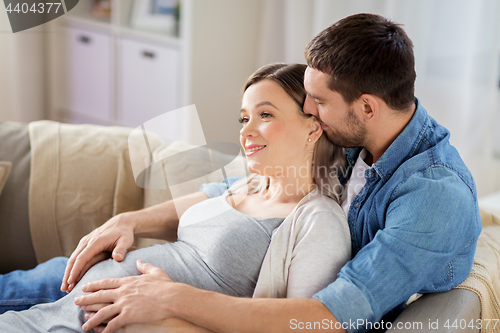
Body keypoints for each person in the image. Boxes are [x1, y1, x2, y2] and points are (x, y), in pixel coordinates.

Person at [60, 13, 481, 333]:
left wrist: (174, 299)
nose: (309, 110)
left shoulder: (432, 198)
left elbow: (327, 316)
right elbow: (241, 187)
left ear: (368, 106)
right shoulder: (360, 140)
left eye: (318, 101)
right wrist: (131, 219)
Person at [0, 63, 351, 332]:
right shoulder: (246, 185)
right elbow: (178, 216)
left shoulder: (318, 221)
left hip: (89, 320)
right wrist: (126, 222)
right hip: (69, 290)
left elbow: (301, 324)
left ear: (312, 127)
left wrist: (170, 311)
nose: (245, 131)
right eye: (243, 118)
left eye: (265, 115)